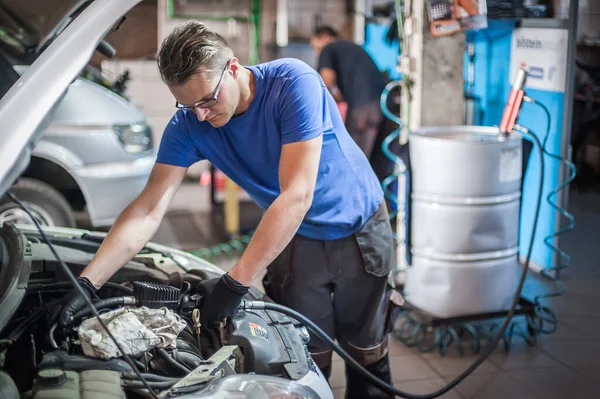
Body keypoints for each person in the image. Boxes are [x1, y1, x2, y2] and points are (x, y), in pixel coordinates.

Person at [56, 21, 397, 398]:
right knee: (303, 357)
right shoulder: (189, 124)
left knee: (366, 356)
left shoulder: (293, 83)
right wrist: (87, 283)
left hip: (358, 229)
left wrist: (235, 282)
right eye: (187, 105)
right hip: (295, 238)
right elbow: (147, 210)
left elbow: (296, 195)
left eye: (206, 100)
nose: (200, 115)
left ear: (233, 68)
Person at [310, 25, 387, 161]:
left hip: (362, 110)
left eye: (315, 47)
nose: (316, 53)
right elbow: (338, 95)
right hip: (380, 107)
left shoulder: (329, 48)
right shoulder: (351, 49)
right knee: (372, 163)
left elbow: (324, 84)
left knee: (352, 160)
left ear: (324, 38)